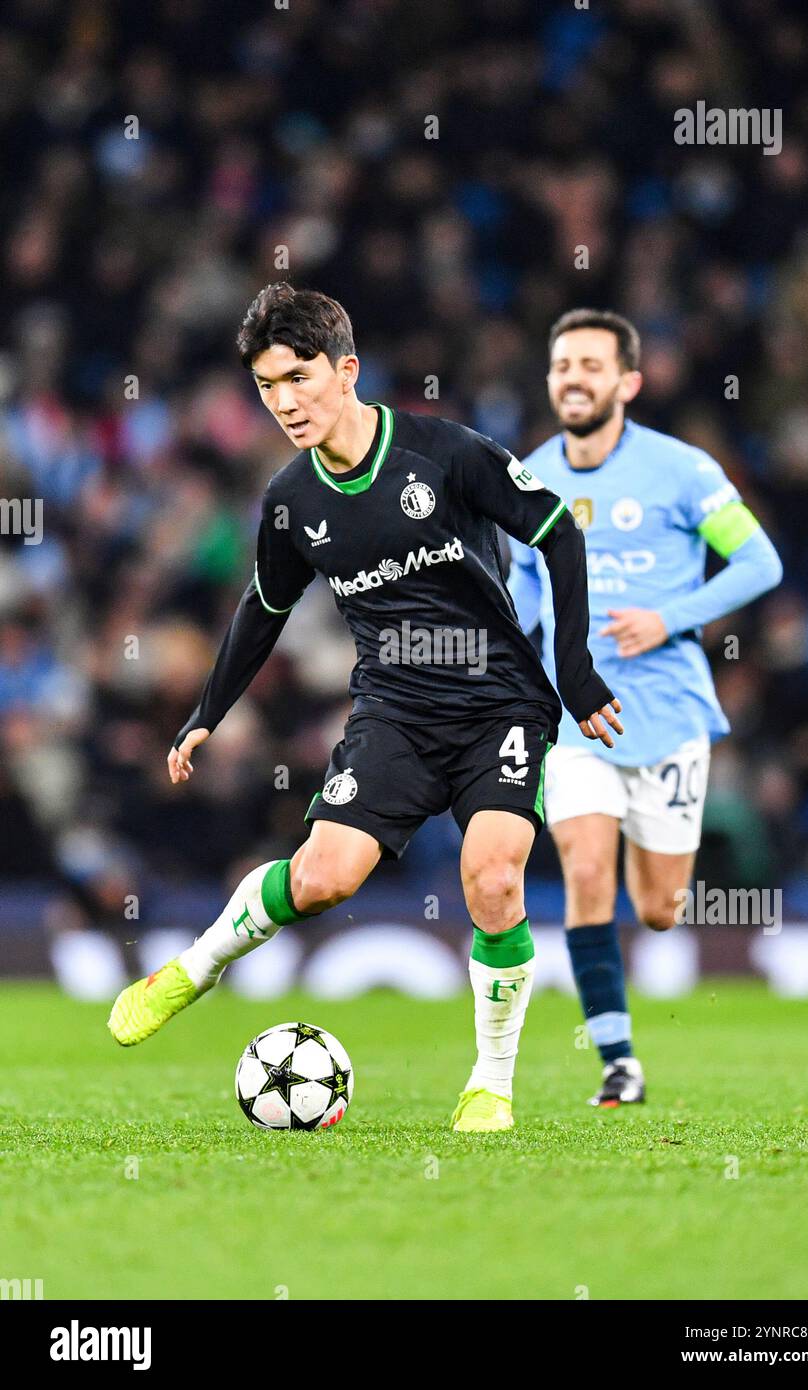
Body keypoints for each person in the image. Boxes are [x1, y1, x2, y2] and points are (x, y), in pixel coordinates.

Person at [107, 282, 622, 1132]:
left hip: (501, 704)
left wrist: (577, 671)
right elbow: (262, 610)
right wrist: (207, 712)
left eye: (299, 377)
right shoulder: (291, 501)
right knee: (318, 880)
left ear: (347, 370)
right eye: (268, 386)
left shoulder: (446, 453)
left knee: (493, 877)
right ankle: (192, 970)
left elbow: (558, 530)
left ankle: (491, 1083)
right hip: (395, 713)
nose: (284, 402)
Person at [508, 309, 782, 1107]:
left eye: (592, 365)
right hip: (575, 718)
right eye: (563, 365)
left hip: (667, 714)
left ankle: (652, 881)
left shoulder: (684, 470)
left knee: (659, 909)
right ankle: (617, 1061)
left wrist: (671, 617)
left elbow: (760, 561)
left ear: (628, 381)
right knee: (586, 874)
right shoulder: (527, 479)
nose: (574, 379)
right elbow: (522, 593)